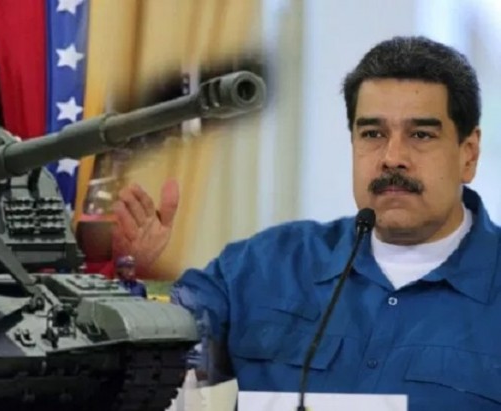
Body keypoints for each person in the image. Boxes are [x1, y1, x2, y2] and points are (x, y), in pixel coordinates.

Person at [113, 36, 501, 410]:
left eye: (420, 135)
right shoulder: (266, 266)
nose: (392, 157)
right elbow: (159, 359)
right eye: (372, 133)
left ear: (468, 155)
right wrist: (133, 275)